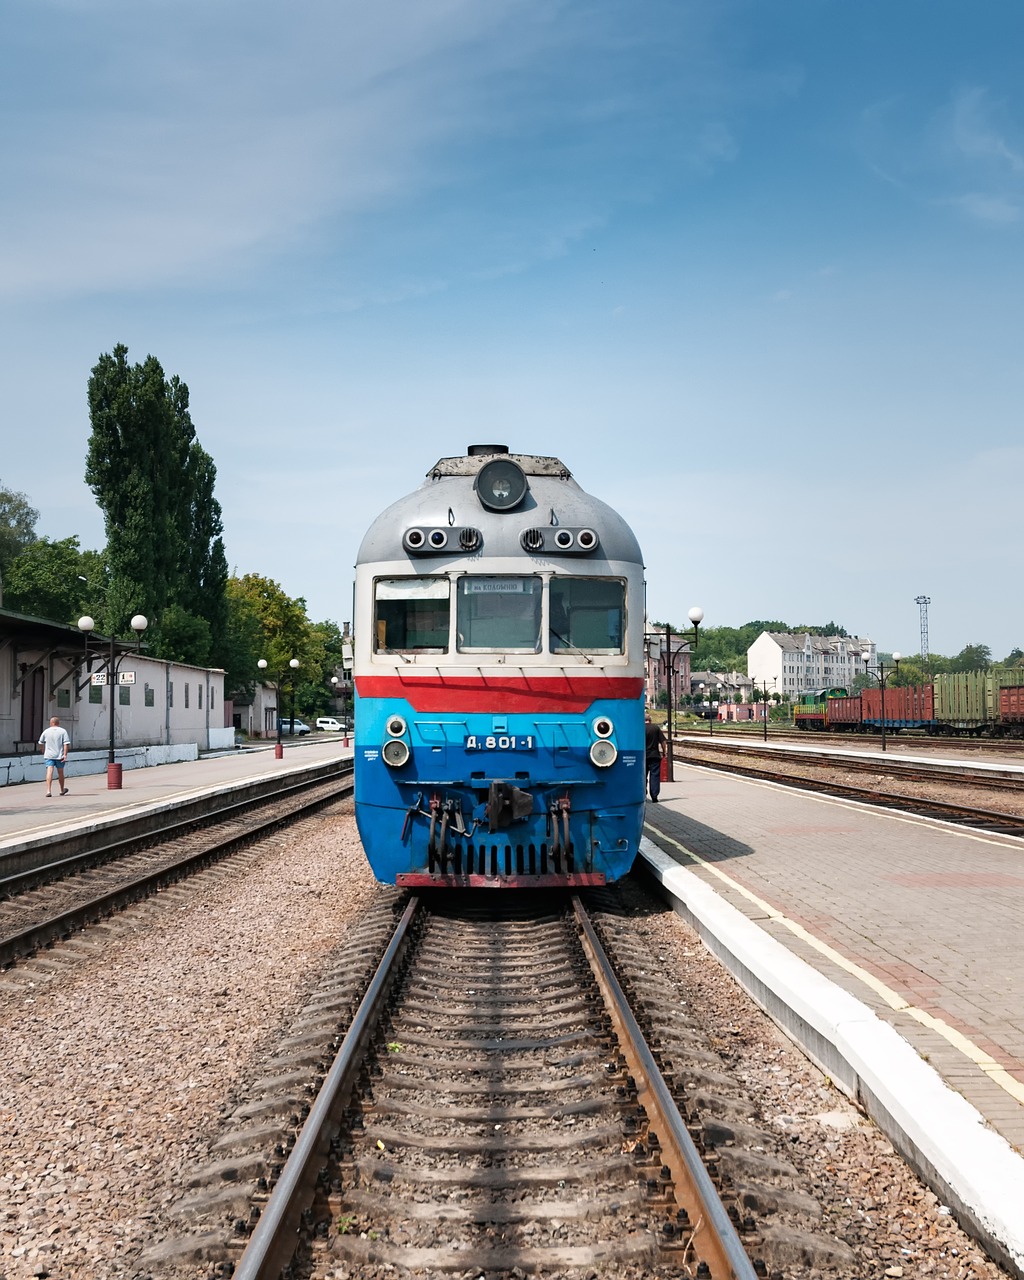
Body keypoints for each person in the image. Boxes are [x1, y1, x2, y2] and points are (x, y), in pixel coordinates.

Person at [38, 716, 71, 797]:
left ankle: (48, 791)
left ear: (51, 723)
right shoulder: (63, 731)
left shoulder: (46, 731)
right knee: (60, 773)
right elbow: (66, 744)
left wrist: (42, 750)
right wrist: (65, 754)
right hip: (59, 755)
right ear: (58, 723)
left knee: (49, 771)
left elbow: (40, 742)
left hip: (49, 755)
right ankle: (62, 790)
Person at [644, 715, 666, 802]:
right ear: (650, 720)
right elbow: (663, 742)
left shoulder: (640, 728)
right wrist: (664, 752)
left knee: (642, 776)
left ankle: (643, 793)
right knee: (655, 776)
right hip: (654, 755)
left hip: (643, 756)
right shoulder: (655, 728)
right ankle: (654, 796)